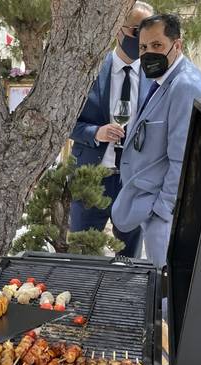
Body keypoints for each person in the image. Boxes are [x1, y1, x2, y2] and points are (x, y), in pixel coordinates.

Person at [111, 13, 201, 270]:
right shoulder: (162, 81)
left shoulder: (185, 86)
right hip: (148, 204)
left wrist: (162, 212)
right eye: (143, 47)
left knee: (163, 294)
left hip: (163, 215)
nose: (148, 53)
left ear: (177, 45)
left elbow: (183, 159)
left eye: (157, 46)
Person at [69, 1, 154, 259]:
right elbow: (65, 123)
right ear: (119, 29)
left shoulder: (155, 79)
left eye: (149, 32)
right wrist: (96, 132)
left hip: (134, 181)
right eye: (137, 31)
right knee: (83, 255)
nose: (143, 39)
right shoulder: (89, 71)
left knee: (130, 261)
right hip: (92, 176)